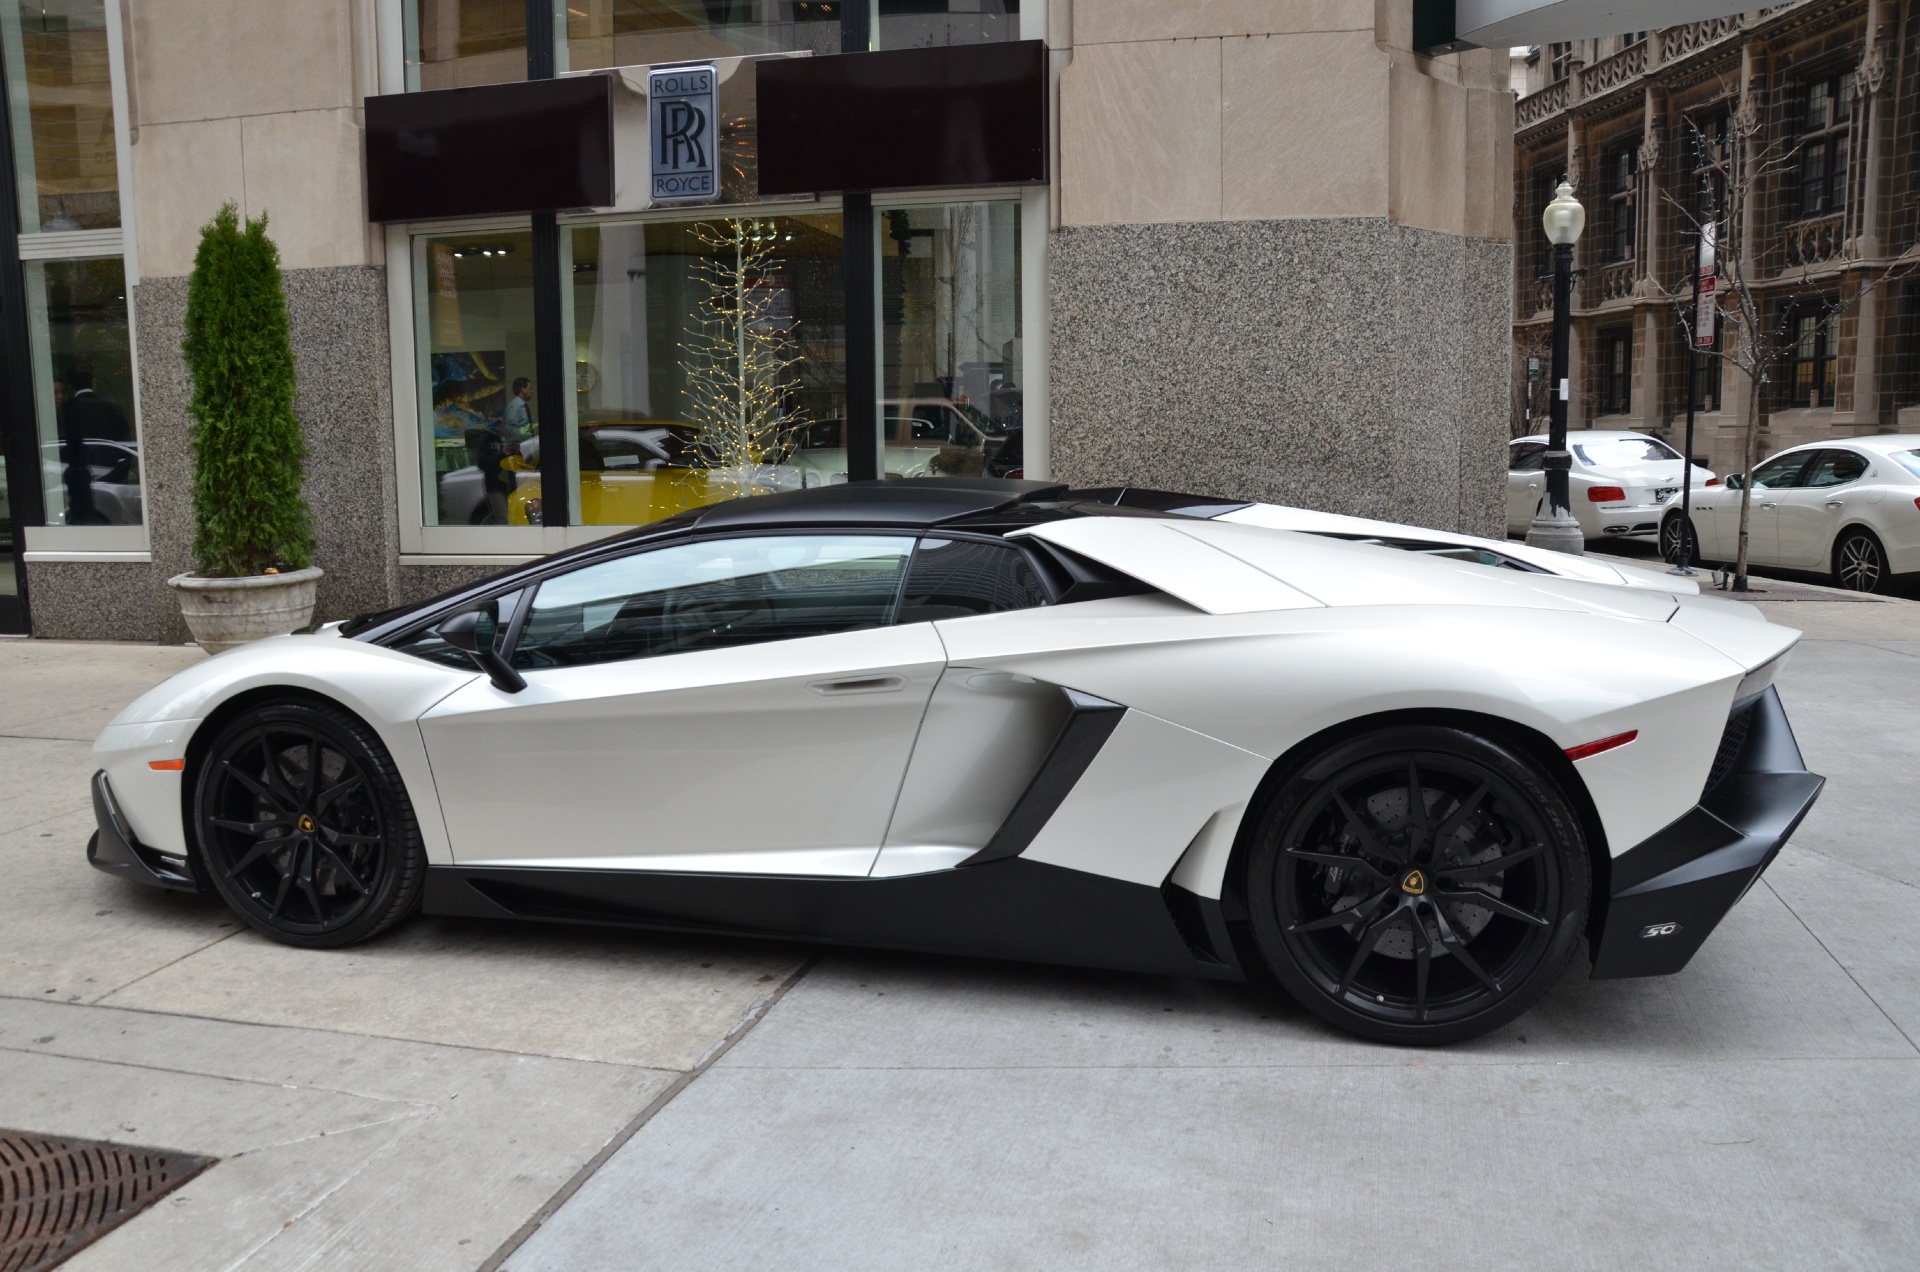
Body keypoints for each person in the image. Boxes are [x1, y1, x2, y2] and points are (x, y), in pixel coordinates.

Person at [60, 361, 129, 525]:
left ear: (70, 385)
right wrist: (115, 478)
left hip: (77, 484)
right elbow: (125, 449)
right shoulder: (113, 409)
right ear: (93, 381)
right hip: (112, 480)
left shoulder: (65, 411)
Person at [502, 377, 532, 442]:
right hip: (517, 448)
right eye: (529, 388)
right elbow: (510, 430)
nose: (531, 391)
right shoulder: (514, 406)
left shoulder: (521, 405)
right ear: (523, 390)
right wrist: (530, 436)